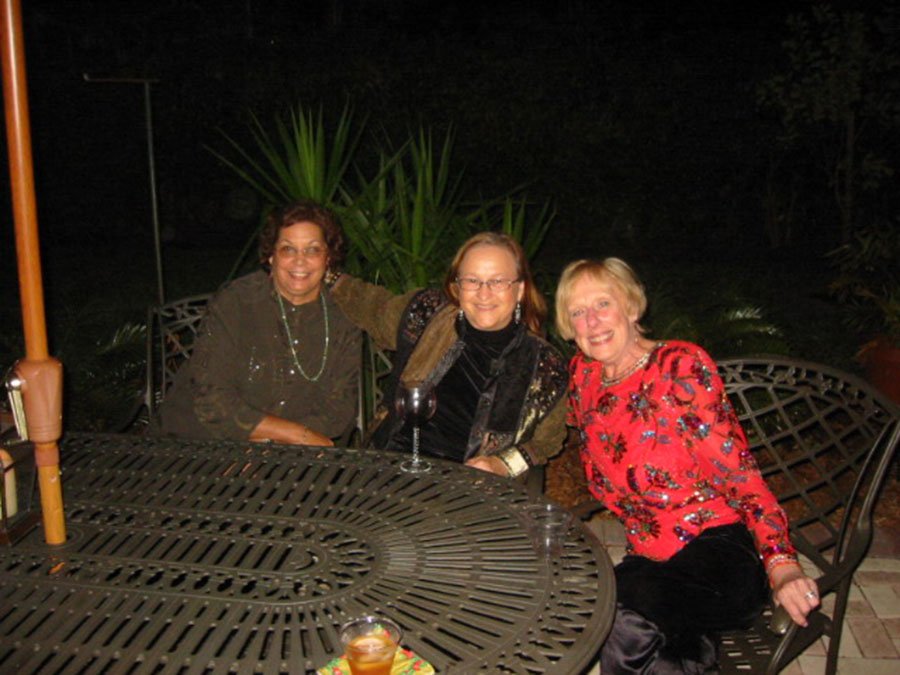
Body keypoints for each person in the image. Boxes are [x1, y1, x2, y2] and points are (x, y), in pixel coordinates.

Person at [555, 258, 819, 673]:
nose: (592, 321)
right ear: (568, 327)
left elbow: (740, 473)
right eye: (577, 312)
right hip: (649, 558)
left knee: (613, 612)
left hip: (719, 550)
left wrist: (781, 563)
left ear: (632, 307)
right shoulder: (584, 376)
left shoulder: (677, 366)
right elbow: (550, 422)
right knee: (642, 637)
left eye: (603, 304)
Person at [328, 232, 568, 477]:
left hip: (466, 487)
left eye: (497, 281)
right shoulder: (428, 315)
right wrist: (327, 276)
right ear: (457, 287)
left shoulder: (544, 367)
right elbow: (372, 306)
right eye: (472, 280)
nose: (483, 293)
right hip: (388, 467)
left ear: (519, 290)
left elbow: (547, 443)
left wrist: (504, 464)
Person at [154, 201, 361, 446]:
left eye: (313, 250)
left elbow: (338, 410)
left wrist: (276, 448)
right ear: (271, 256)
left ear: (328, 257)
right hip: (199, 442)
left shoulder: (343, 319)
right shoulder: (236, 302)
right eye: (288, 249)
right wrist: (296, 435)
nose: (300, 261)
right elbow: (212, 399)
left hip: (294, 455)